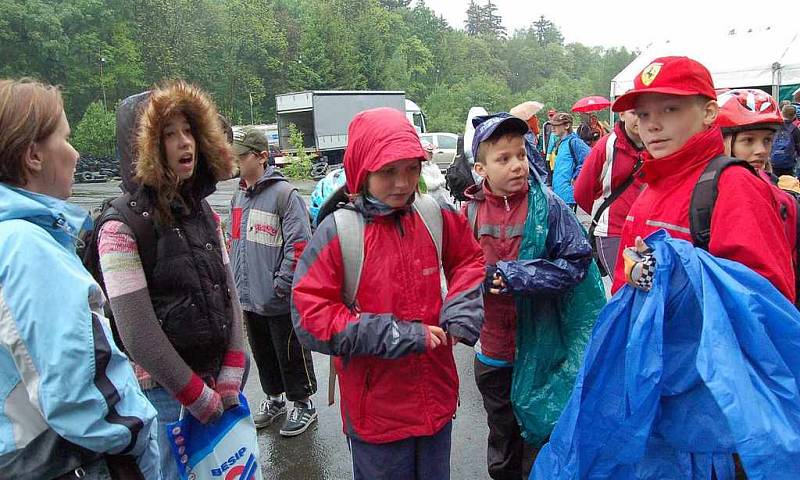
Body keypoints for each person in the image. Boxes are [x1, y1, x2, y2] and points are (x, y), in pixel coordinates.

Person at [291, 107, 485, 480]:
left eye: (411, 168)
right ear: (363, 171)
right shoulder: (339, 232)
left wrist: (462, 310)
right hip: (376, 417)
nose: (402, 182)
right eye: (388, 171)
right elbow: (308, 316)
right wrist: (397, 334)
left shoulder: (433, 215)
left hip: (436, 402)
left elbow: (469, 261)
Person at [0, 78, 160, 478]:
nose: (74, 154)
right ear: (34, 155)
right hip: (66, 461)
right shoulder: (27, 248)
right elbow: (84, 390)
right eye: (65, 139)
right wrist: (141, 441)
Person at [96, 80, 246, 478]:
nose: (186, 144)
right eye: (169, 134)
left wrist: (233, 368)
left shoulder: (203, 212)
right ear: (144, 145)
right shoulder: (119, 228)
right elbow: (136, 331)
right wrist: (195, 395)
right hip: (165, 400)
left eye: (189, 131)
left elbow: (230, 294)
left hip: (219, 386)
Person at [463, 113, 604, 479]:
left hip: (542, 349)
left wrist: (515, 275)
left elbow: (576, 264)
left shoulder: (550, 206)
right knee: (502, 436)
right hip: (494, 351)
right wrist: (479, 279)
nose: (516, 166)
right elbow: (458, 268)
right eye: (503, 159)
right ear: (481, 168)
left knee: (540, 439)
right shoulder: (469, 212)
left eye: (520, 155)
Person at [610, 56, 795, 304]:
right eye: (643, 114)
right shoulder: (651, 183)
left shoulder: (734, 185)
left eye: (669, 109)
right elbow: (625, 284)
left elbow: (766, 299)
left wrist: (666, 275)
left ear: (709, 112)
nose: (652, 125)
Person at [228, 127, 318, 436]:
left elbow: (299, 246)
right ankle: (275, 399)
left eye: (242, 155)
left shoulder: (284, 195)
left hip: (278, 298)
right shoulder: (239, 196)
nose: (236, 161)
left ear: (262, 157)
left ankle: (304, 404)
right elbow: (234, 243)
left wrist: (281, 285)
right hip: (250, 297)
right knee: (264, 353)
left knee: (290, 352)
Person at [574, 109, 645, 278]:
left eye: (645, 113)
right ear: (622, 115)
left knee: (649, 289)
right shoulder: (607, 146)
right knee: (626, 288)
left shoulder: (657, 143)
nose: (639, 119)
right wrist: (603, 212)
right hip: (614, 231)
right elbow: (582, 191)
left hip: (647, 230)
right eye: (634, 112)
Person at [550, 112, 590, 210]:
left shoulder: (575, 142)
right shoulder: (561, 143)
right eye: (552, 125)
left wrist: (576, 176)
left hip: (568, 194)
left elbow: (589, 159)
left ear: (567, 125)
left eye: (556, 125)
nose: (553, 128)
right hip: (559, 193)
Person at [771, 104, 800, 176]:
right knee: (788, 182)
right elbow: (798, 147)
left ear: (781, 113)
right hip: (788, 163)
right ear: (794, 116)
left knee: (774, 180)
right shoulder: (795, 129)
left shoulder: (774, 126)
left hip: (773, 161)